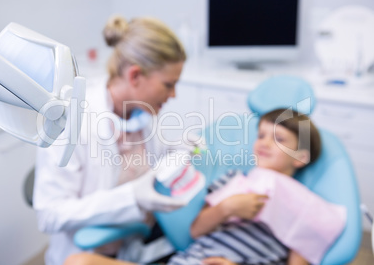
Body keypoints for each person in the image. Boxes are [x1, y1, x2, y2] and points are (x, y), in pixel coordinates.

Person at [63, 108, 347, 265]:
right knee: (78, 262)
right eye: (260, 135)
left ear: (301, 157)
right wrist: (226, 208)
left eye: (279, 139)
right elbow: (196, 231)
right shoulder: (235, 181)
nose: (263, 142)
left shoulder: (305, 206)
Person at [33, 15, 191, 265]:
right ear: (135, 76)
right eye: (168, 84)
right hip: (89, 255)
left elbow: (152, 159)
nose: (173, 94)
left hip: (134, 244)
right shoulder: (72, 121)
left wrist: (181, 148)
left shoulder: (143, 112)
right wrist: (131, 197)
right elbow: (49, 214)